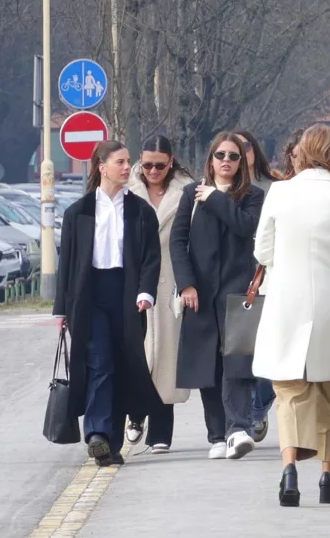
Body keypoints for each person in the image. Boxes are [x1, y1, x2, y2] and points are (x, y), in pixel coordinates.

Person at [252, 124, 330, 507]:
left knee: (289, 388)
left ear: (301, 151)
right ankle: (328, 476)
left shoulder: (280, 192)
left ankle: (289, 470)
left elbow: (262, 249)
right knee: (327, 387)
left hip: (286, 297)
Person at [53, 140, 164, 467]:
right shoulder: (80, 212)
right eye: (120, 161)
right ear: (102, 167)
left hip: (128, 296)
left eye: (129, 161)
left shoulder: (141, 212)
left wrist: (146, 292)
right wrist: (61, 308)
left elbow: (151, 259)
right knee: (99, 362)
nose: (127, 167)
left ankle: (111, 444)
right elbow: (68, 265)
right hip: (90, 297)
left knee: (123, 363)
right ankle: (97, 434)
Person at [170, 132, 265, 461]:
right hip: (200, 291)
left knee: (237, 362)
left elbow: (245, 226)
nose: (226, 161)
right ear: (210, 160)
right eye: (220, 155)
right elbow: (177, 242)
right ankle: (216, 432)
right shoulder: (189, 194)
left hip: (239, 291)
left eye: (234, 156)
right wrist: (186, 284)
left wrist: (215, 198)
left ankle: (238, 429)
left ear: (241, 163)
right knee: (206, 364)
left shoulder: (253, 196)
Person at [123, 135, 194, 453]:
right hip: (133, 281)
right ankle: (136, 414)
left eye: (160, 165)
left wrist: (189, 281)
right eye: (147, 164)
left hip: (170, 282)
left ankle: (161, 432)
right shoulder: (126, 188)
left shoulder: (187, 191)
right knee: (136, 355)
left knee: (167, 357)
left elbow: (194, 239)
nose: (153, 170)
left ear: (171, 161)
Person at [234, 129, 280, 443]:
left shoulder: (275, 187)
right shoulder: (220, 189)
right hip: (234, 276)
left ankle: (259, 406)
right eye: (229, 150)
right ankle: (242, 415)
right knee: (241, 351)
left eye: (244, 147)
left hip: (271, 276)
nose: (237, 154)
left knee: (271, 352)